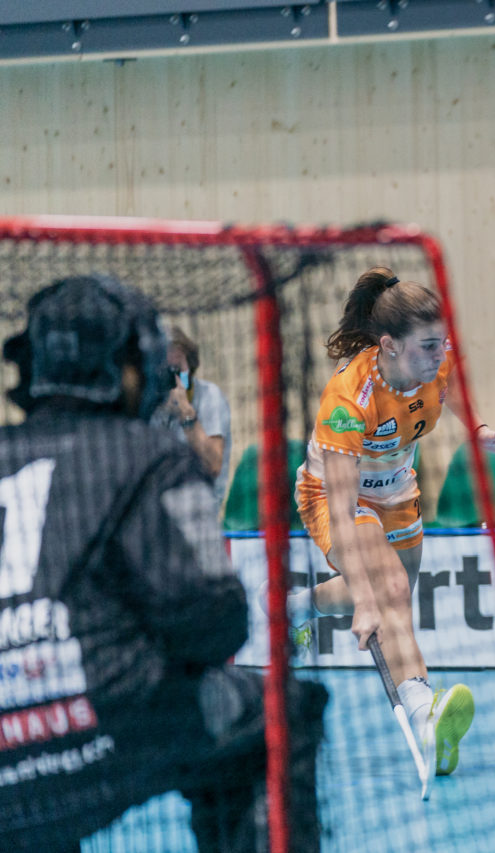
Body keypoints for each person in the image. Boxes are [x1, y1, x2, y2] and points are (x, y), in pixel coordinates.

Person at [0, 274, 326, 852]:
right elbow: (214, 618)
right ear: (126, 368)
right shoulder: (149, 455)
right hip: (99, 725)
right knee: (281, 713)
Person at [285, 266, 495, 792]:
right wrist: (365, 604)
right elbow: (338, 507)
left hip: (398, 494)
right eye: (427, 346)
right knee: (387, 591)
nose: (439, 354)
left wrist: (481, 433)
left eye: (442, 344)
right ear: (389, 345)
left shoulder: (434, 364)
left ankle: (294, 607)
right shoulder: (348, 401)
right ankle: (426, 717)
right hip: (337, 497)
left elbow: (447, 400)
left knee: (396, 594)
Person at [152, 326, 233, 505]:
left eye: (176, 368)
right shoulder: (148, 401)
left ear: (190, 365)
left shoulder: (210, 396)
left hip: (199, 503)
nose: (171, 378)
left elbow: (213, 464)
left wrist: (186, 414)